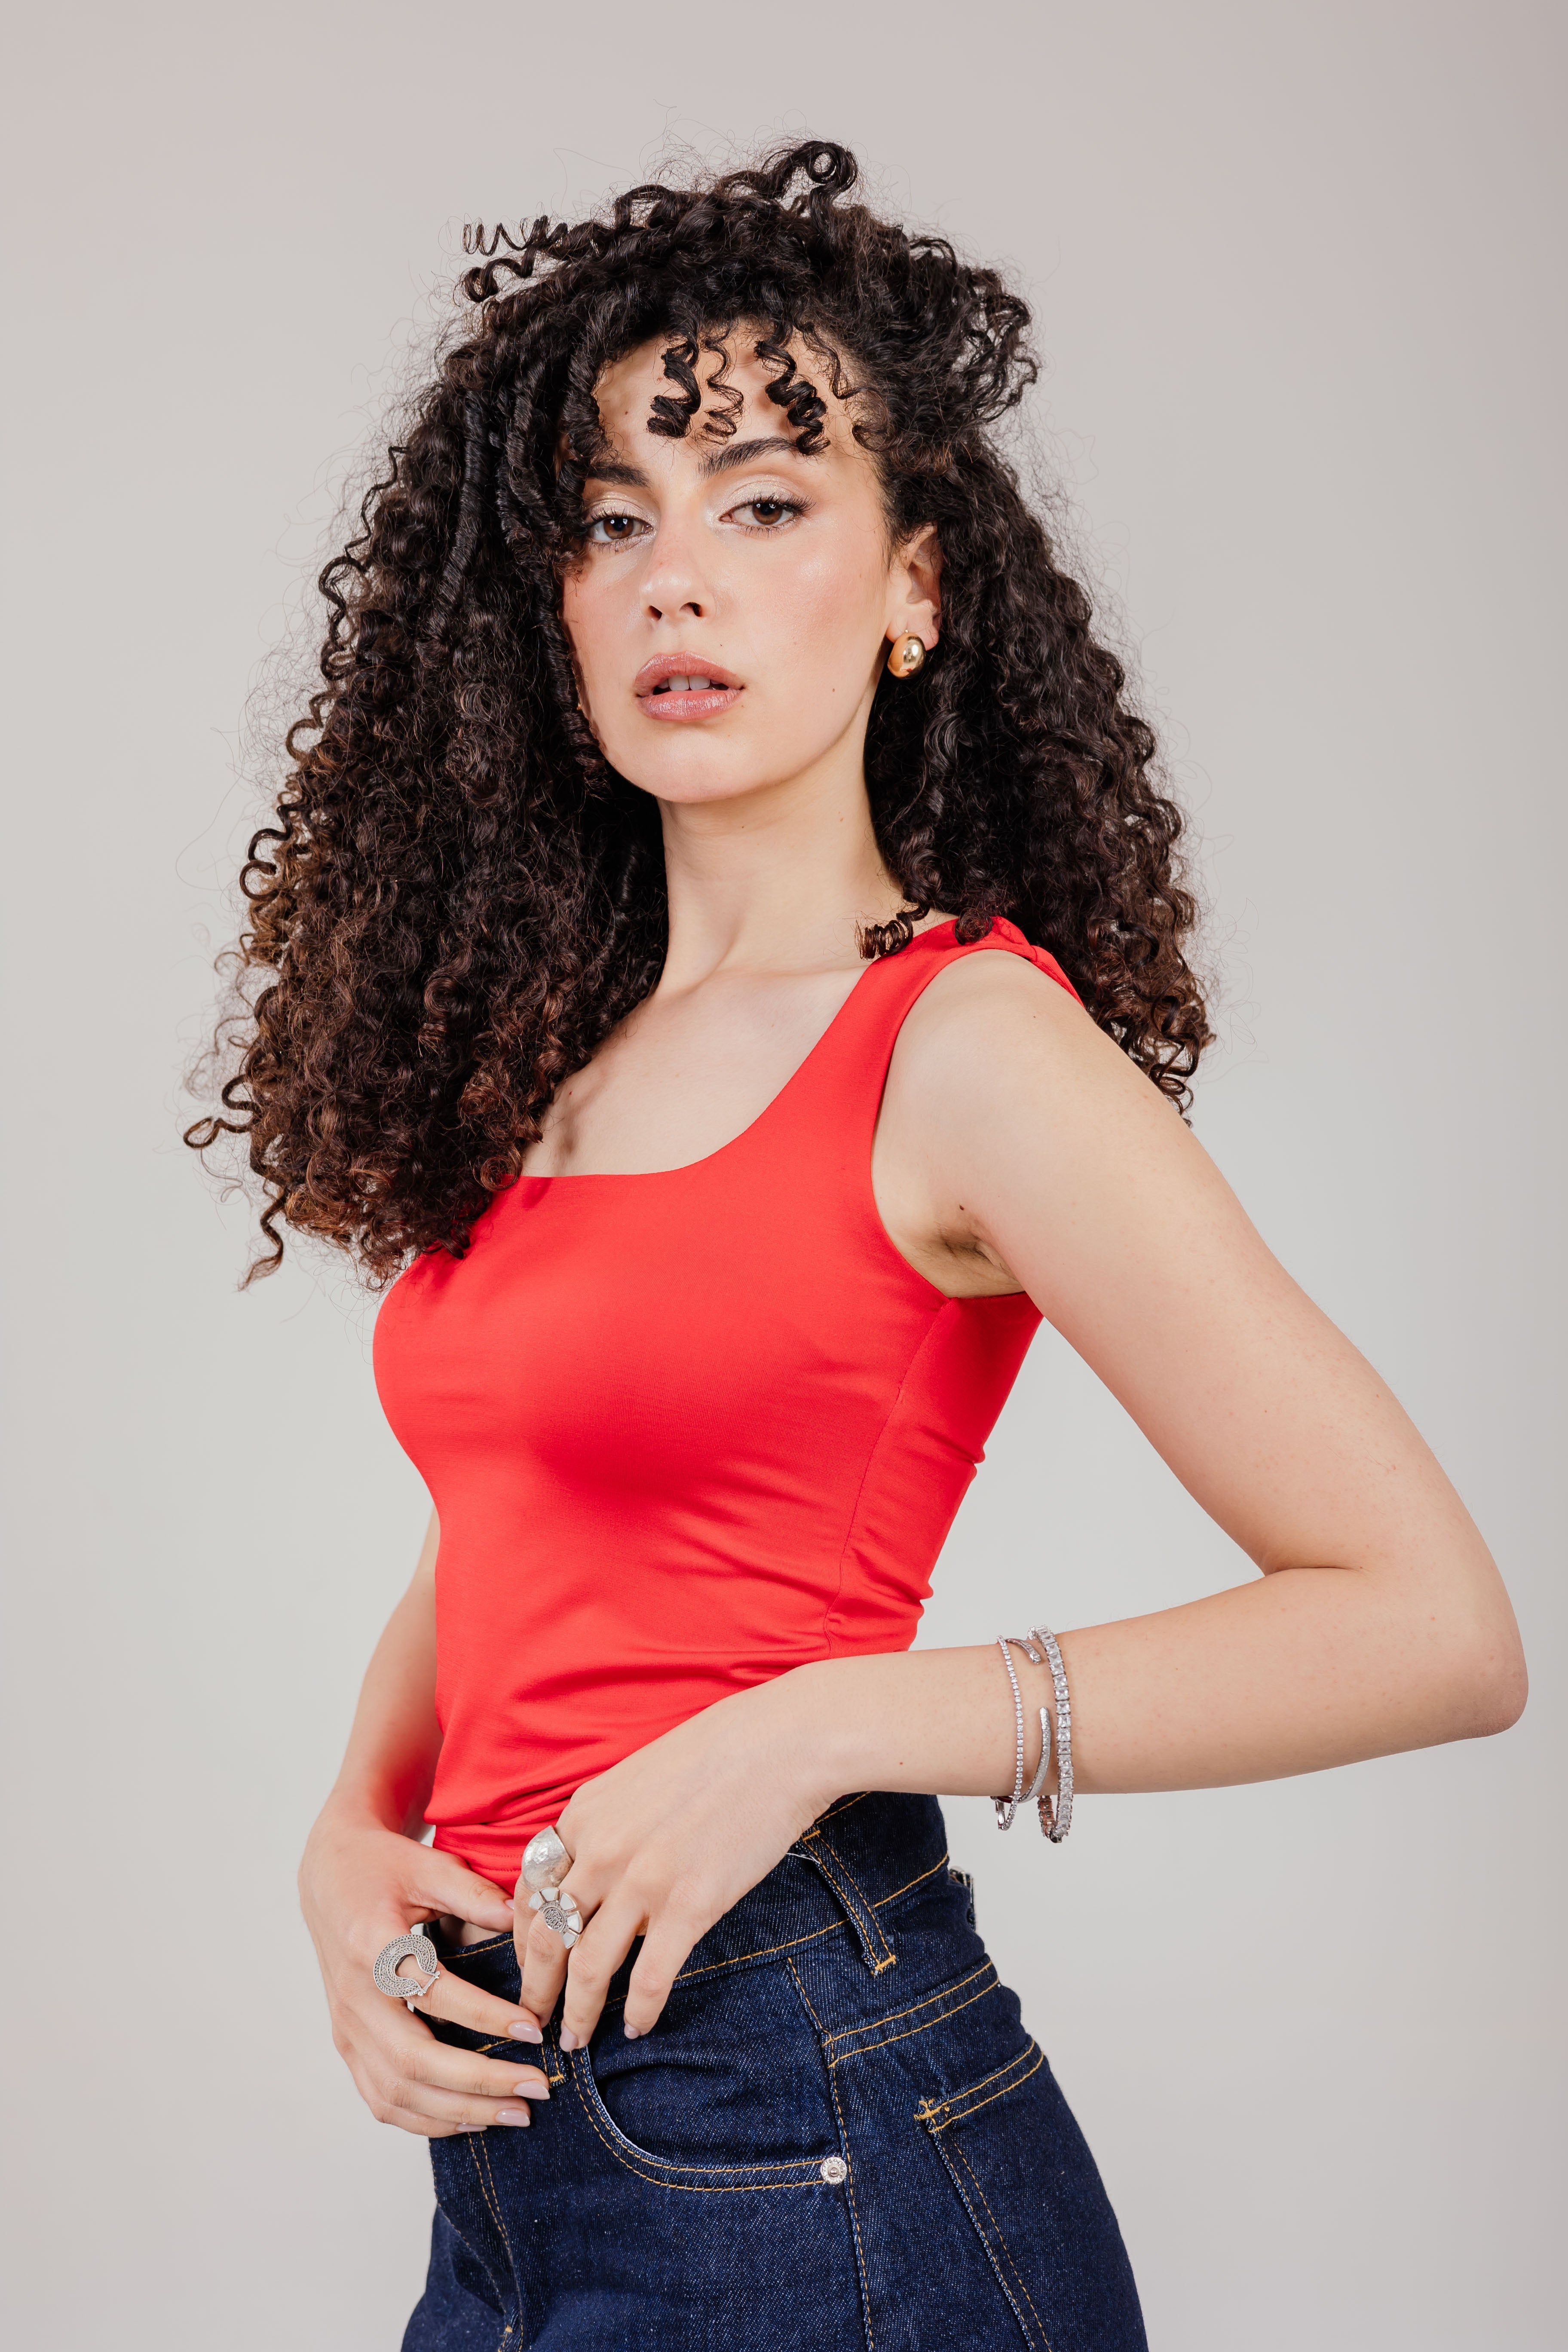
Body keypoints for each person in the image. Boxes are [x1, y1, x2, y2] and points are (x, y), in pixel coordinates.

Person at [187, 141, 1526, 2350]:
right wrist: (350, 1826)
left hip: (797, 2094)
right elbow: (526, 1511)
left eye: (762, 504)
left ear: (914, 590)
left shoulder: (968, 1044)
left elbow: (1436, 1628)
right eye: (612, 520)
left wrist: (823, 1727)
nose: (673, 583)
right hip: (521, 2138)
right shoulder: (565, 1052)